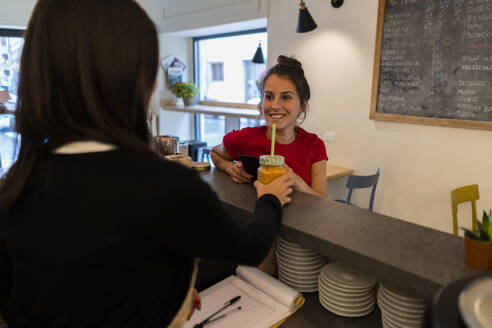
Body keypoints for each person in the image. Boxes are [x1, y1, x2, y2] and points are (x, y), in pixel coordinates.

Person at [0, 1, 293, 327]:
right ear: (133, 80)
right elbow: (251, 247)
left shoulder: (14, 187)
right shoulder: (166, 187)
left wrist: (170, 285)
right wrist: (269, 198)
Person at [211, 55, 328, 197]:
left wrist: (296, 181)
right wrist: (229, 167)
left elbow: (321, 200)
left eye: (285, 97)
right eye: (269, 97)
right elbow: (215, 153)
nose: (275, 106)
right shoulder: (244, 138)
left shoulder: (314, 145)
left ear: (302, 105)